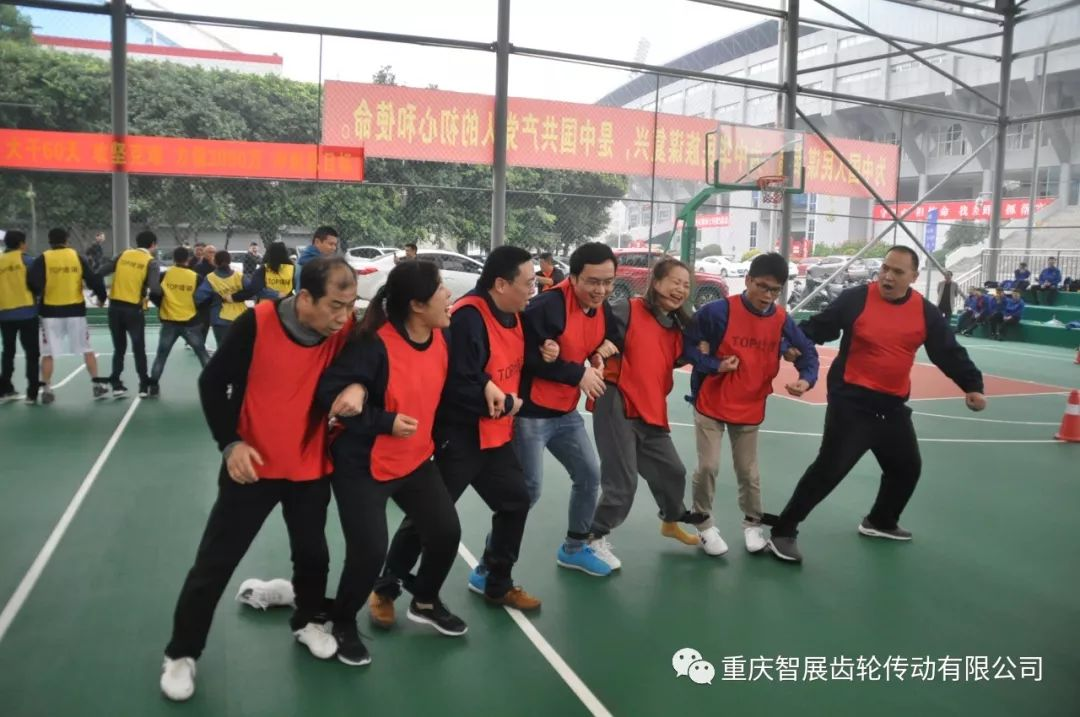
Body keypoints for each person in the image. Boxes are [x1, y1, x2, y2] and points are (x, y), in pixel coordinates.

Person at [159, 257, 360, 701]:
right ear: (304, 298)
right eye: (335, 305)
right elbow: (212, 383)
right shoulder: (258, 323)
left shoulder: (344, 331)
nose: (344, 316)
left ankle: (307, 621)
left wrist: (358, 386)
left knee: (313, 555)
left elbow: (372, 363)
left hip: (308, 466)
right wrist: (230, 443)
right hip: (251, 468)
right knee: (215, 562)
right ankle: (181, 652)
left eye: (350, 306)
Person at [767, 247, 986, 564]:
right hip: (851, 403)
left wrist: (972, 385)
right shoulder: (856, 299)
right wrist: (790, 344)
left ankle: (881, 520)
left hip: (892, 407)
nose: (887, 276)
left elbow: (947, 351)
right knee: (830, 469)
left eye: (897, 272)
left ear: (913, 276)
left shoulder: (924, 312)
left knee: (906, 468)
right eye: (885, 268)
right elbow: (820, 326)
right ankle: (783, 531)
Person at [369, 246, 545, 629]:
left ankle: (496, 582)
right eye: (529, 282)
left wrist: (552, 355)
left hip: (496, 435)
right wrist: (501, 399)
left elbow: (497, 367)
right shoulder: (467, 317)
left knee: (515, 501)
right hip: (460, 436)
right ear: (501, 284)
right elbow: (457, 380)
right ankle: (386, 587)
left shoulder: (516, 316)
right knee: (429, 519)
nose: (535, 288)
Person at [316, 260, 465, 667]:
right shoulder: (374, 345)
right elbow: (330, 393)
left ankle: (425, 601)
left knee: (446, 532)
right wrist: (384, 421)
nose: (449, 295)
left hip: (415, 460)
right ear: (417, 304)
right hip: (363, 466)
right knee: (368, 553)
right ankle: (342, 621)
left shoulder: (441, 336)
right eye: (441, 288)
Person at [682, 252, 819, 556]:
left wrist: (806, 379)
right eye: (762, 287)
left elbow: (807, 352)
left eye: (775, 290)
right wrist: (715, 365)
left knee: (748, 472)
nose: (768, 295)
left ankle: (753, 522)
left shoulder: (781, 319)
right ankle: (703, 523)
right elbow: (688, 348)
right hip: (711, 402)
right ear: (747, 280)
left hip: (750, 406)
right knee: (708, 466)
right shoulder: (716, 312)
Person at [586, 257, 713, 569]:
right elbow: (591, 332)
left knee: (673, 471)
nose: (681, 289)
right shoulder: (626, 309)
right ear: (656, 283)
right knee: (622, 482)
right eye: (675, 282)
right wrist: (592, 357)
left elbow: (674, 360)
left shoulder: (677, 328)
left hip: (651, 407)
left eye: (686, 285)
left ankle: (670, 520)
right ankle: (591, 538)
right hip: (616, 400)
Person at [514, 242, 623, 577]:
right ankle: (492, 565)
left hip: (564, 412)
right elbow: (523, 358)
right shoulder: (547, 306)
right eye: (593, 281)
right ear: (573, 278)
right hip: (530, 414)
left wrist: (602, 352)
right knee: (528, 491)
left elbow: (615, 334)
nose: (601, 290)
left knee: (589, 476)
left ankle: (574, 549)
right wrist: (578, 373)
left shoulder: (600, 307)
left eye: (608, 282)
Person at [27, 228, 109, 403]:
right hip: (75, 312)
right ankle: (97, 385)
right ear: (67, 240)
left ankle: (46, 389)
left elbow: (33, 282)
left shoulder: (43, 258)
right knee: (87, 349)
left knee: (48, 353)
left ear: (49, 241)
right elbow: (93, 279)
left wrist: (40, 292)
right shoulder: (76, 257)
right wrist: (102, 297)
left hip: (50, 312)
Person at [99, 230, 161, 398]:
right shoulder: (151, 262)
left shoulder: (123, 255)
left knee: (119, 349)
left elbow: (101, 272)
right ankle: (143, 386)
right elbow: (155, 289)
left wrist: (101, 295)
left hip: (114, 308)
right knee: (139, 348)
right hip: (133, 310)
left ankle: (116, 385)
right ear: (153, 244)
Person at [146, 247, 212, 397]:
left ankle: (153, 386)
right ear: (188, 259)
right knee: (202, 354)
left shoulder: (164, 275)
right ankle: (214, 384)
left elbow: (154, 294)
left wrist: (163, 305)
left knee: (161, 356)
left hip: (169, 321)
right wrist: (198, 313)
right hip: (190, 322)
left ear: (174, 259)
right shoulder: (196, 277)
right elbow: (205, 298)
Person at [0, 231, 39, 404]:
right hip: (27, 312)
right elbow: (37, 283)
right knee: (32, 353)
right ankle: (32, 393)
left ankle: (5, 389)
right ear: (22, 244)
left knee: (8, 352)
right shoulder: (27, 261)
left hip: (5, 313)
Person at [196, 250, 248, 346]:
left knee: (222, 348)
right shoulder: (239, 276)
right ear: (230, 261)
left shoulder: (210, 278)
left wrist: (214, 299)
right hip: (241, 317)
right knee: (241, 347)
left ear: (215, 262)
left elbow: (199, 298)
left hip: (220, 319)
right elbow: (251, 292)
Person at [295, 227, 339, 291]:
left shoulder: (306, 257)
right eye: (330, 244)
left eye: (335, 245)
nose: (334, 248)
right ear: (317, 242)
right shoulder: (313, 264)